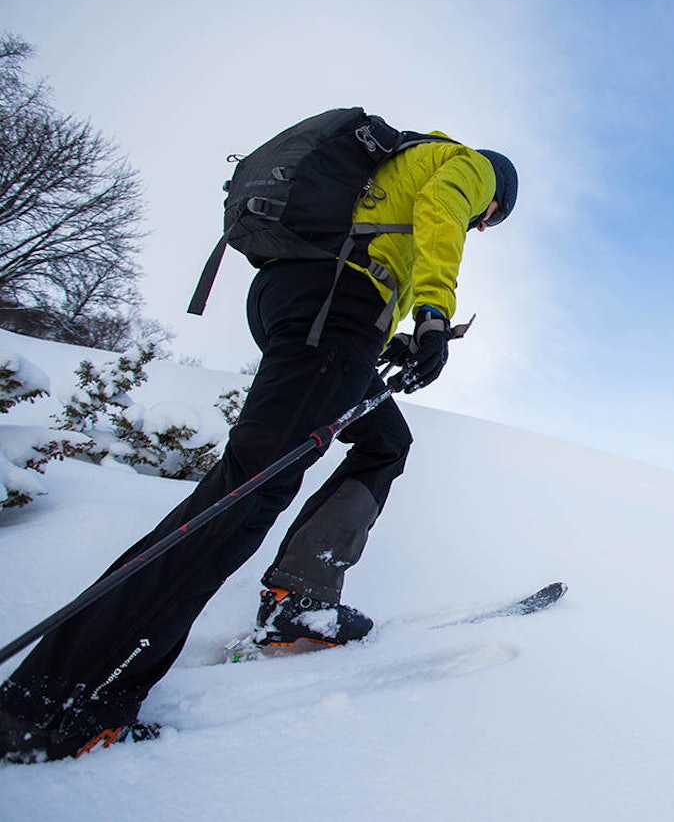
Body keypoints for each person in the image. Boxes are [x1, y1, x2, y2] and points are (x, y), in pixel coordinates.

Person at [0, 130, 517, 764]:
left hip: (315, 302)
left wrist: (390, 344)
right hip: (333, 300)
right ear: (495, 193)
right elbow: (441, 214)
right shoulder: (469, 167)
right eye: (492, 218)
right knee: (246, 493)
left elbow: (379, 249)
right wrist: (433, 313)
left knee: (384, 442)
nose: (485, 225)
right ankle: (57, 706)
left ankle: (300, 600)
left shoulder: (394, 168)